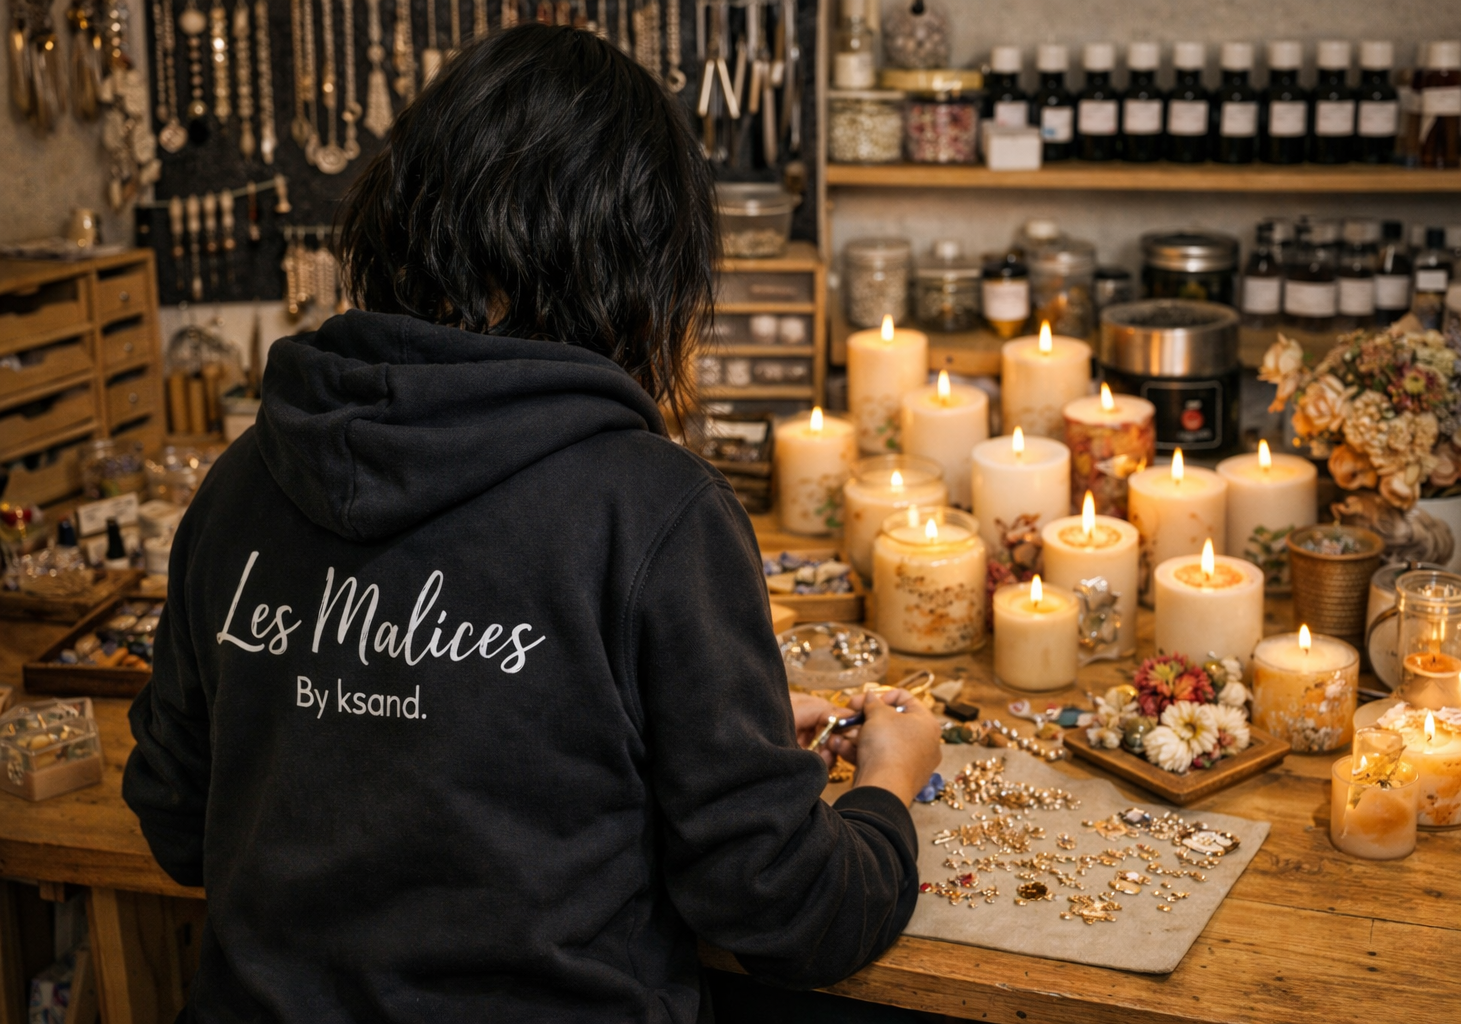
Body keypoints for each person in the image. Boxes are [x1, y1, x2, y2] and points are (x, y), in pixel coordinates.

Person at [123, 23, 941, 1023]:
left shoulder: (243, 479)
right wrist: (888, 792)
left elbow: (176, 817)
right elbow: (788, 908)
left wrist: (702, 742)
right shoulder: (655, 511)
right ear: (637, 267)